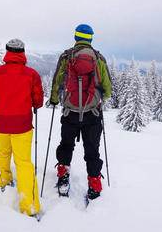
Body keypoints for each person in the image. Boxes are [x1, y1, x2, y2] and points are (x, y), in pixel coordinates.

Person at [48, 24, 112, 200]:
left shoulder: (66, 57)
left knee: (66, 145)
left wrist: (54, 99)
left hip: (70, 112)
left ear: (75, 38)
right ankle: (94, 186)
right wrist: (99, 99)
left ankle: (63, 179)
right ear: (91, 38)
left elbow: (57, 82)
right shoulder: (99, 59)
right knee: (92, 150)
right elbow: (108, 88)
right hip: (93, 114)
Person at [0, 38, 43, 218]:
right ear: (23, 52)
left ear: (7, 51)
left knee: (3, 152)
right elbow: (38, 101)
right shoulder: (31, 74)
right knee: (23, 163)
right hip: (22, 126)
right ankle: (29, 208)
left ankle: (2, 182)